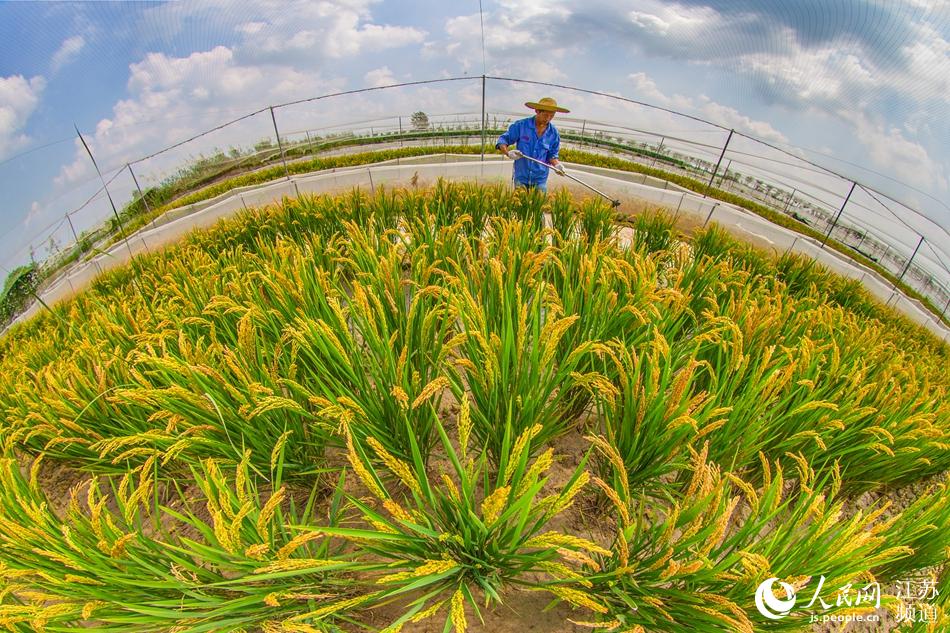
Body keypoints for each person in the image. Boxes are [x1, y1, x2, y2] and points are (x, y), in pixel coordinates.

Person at [495, 97, 569, 191]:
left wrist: (557, 165)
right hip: (521, 177)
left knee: (539, 204)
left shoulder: (553, 133)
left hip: (540, 179)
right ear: (537, 111)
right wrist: (508, 153)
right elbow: (503, 140)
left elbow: (552, 156)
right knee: (519, 203)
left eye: (552, 115)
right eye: (545, 115)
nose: (548, 118)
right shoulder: (521, 126)